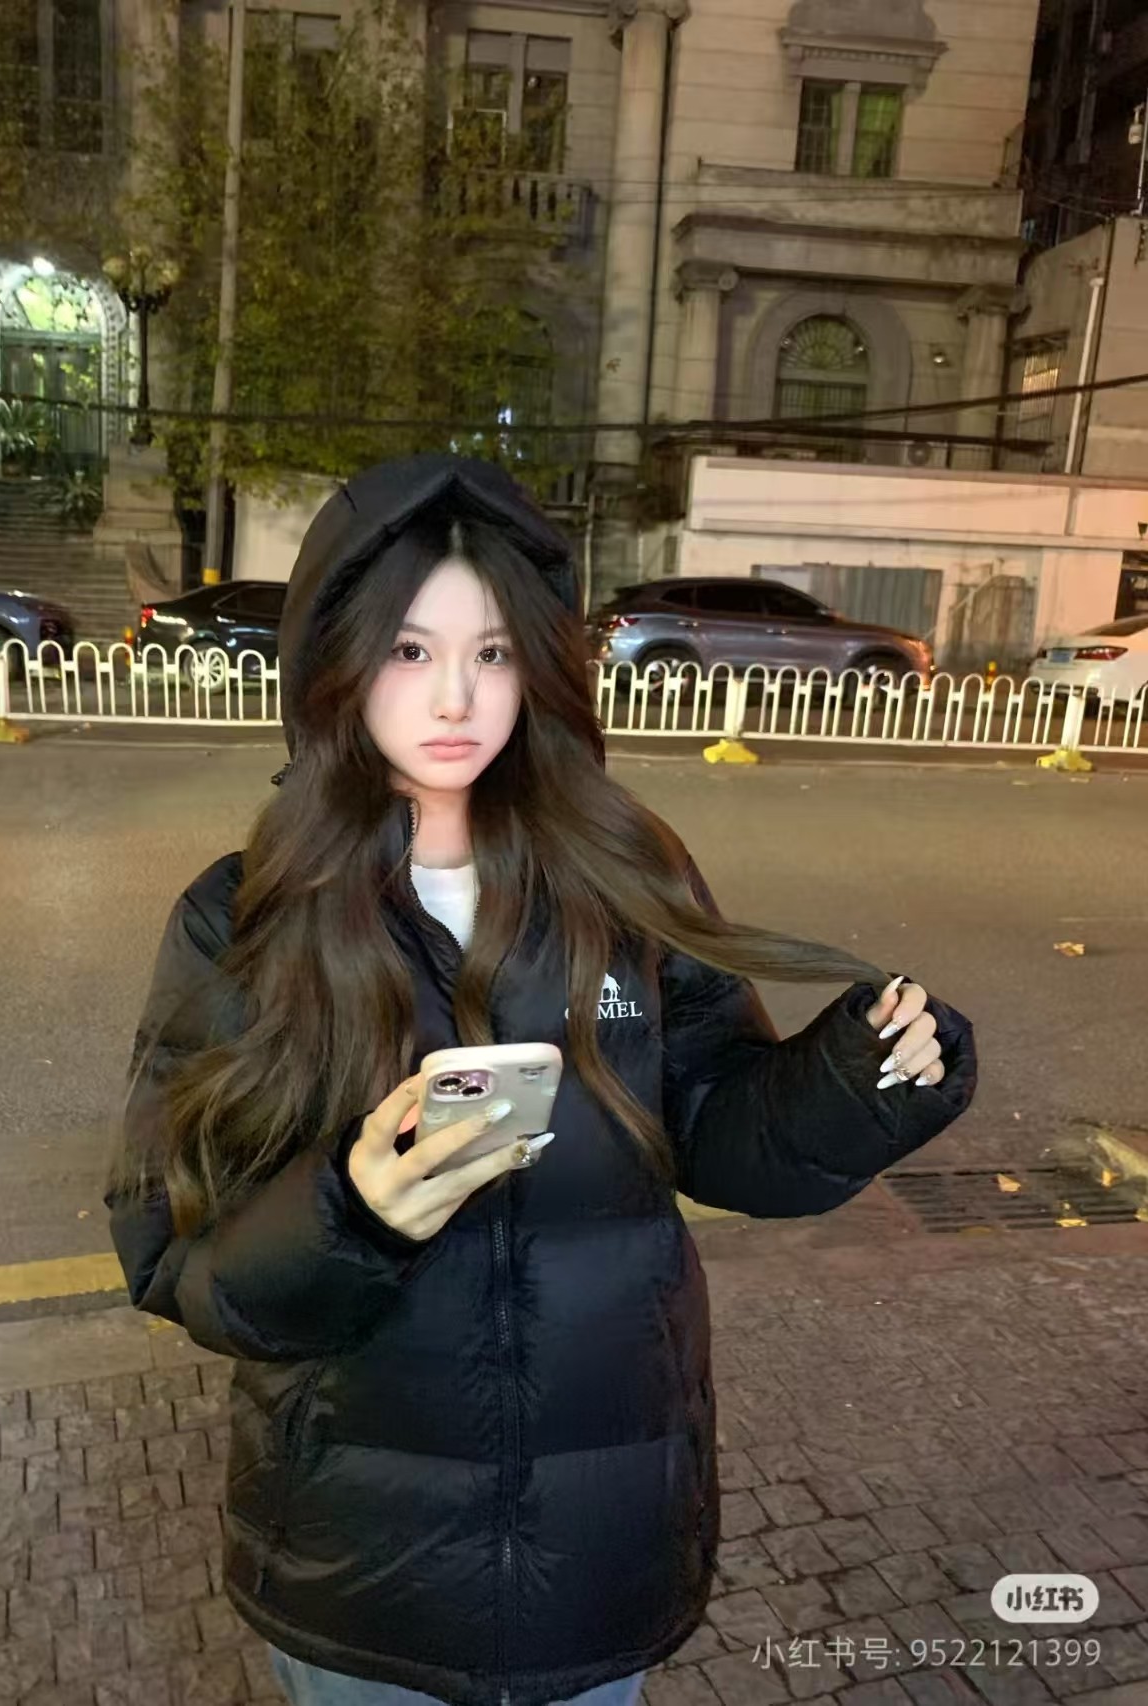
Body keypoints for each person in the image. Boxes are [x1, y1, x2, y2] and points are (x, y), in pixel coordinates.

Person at [107, 453, 976, 1706]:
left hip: (600, 1546)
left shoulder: (623, 869)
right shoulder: (244, 916)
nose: (455, 695)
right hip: (360, 1571)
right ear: (334, 662)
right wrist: (352, 1211)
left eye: (495, 652)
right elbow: (172, 1254)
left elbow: (717, 1124)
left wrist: (856, 1082)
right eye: (409, 650)